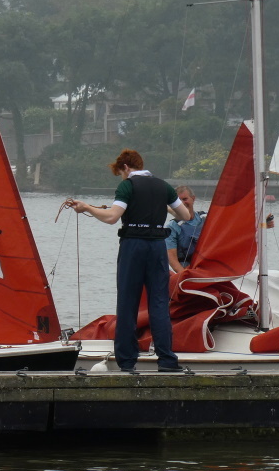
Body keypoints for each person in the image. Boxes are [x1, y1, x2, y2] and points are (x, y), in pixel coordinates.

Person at [69, 149, 191, 372]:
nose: (122, 177)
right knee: (159, 304)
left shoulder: (128, 186)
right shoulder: (163, 186)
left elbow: (112, 217)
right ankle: (166, 361)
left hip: (133, 245)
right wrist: (161, 206)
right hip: (157, 247)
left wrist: (86, 207)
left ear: (126, 167)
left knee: (128, 304)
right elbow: (185, 216)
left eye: (121, 173)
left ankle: (127, 361)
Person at [165, 185, 206, 274]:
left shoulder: (207, 218)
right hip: (188, 271)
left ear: (193, 198)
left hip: (208, 269)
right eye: (178, 201)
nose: (182, 203)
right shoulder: (172, 227)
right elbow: (172, 261)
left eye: (185, 199)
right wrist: (187, 277)